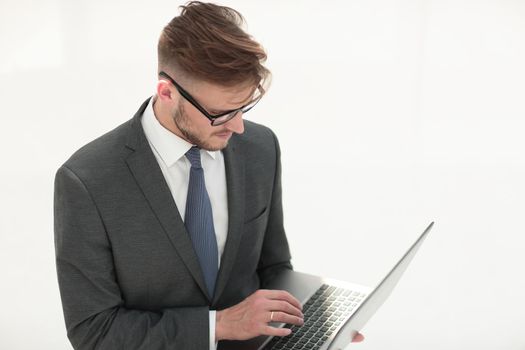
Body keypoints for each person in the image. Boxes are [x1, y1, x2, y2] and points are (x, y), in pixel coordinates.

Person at [54, 2, 363, 349]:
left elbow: (273, 266)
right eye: (219, 113)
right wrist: (217, 326)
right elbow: (93, 332)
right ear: (167, 92)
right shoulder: (87, 181)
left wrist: (316, 320)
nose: (238, 126)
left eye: (243, 107)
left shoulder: (260, 147)